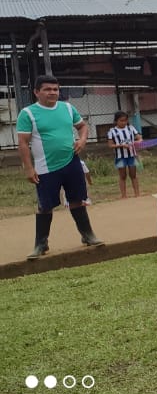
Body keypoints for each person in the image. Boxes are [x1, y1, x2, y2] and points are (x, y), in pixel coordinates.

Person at [19, 75, 100, 259]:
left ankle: (88, 236)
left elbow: (82, 126)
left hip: (71, 162)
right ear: (36, 92)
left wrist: (82, 139)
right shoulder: (28, 113)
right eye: (47, 89)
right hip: (45, 168)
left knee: (77, 200)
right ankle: (41, 244)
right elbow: (23, 143)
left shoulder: (68, 108)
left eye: (55, 89)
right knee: (45, 206)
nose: (52, 93)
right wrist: (28, 168)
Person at [106, 110, 142, 199]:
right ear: (116, 121)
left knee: (133, 175)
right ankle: (124, 195)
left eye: (125, 120)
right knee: (122, 176)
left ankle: (137, 194)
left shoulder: (131, 128)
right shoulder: (112, 131)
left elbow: (139, 138)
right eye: (121, 121)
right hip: (120, 157)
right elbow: (110, 145)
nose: (123, 122)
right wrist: (121, 145)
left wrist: (137, 142)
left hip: (132, 155)